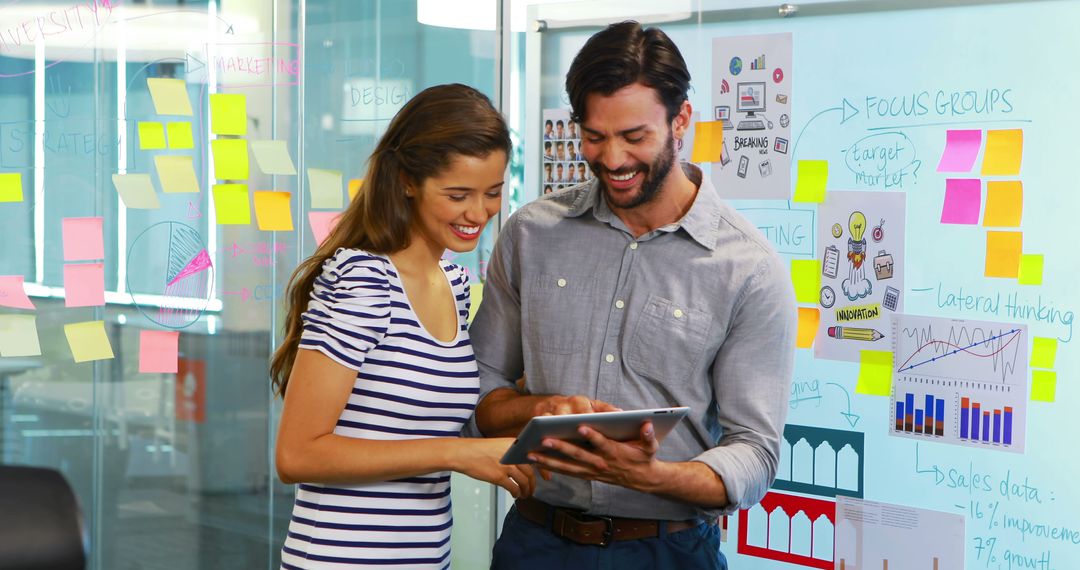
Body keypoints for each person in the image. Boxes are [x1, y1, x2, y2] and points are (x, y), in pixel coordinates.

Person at [469, 21, 796, 569]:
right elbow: (479, 394)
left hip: (668, 549)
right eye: (594, 136)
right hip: (535, 541)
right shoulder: (531, 235)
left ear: (681, 121)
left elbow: (755, 451)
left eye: (635, 136)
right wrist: (542, 408)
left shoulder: (749, 270)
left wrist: (654, 476)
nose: (613, 159)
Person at [270, 83, 535, 570]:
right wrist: (455, 455)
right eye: (458, 195)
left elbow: (428, 420)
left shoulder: (454, 284)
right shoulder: (365, 281)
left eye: (493, 193)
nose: (479, 214)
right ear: (408, 181)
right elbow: (297, 454)